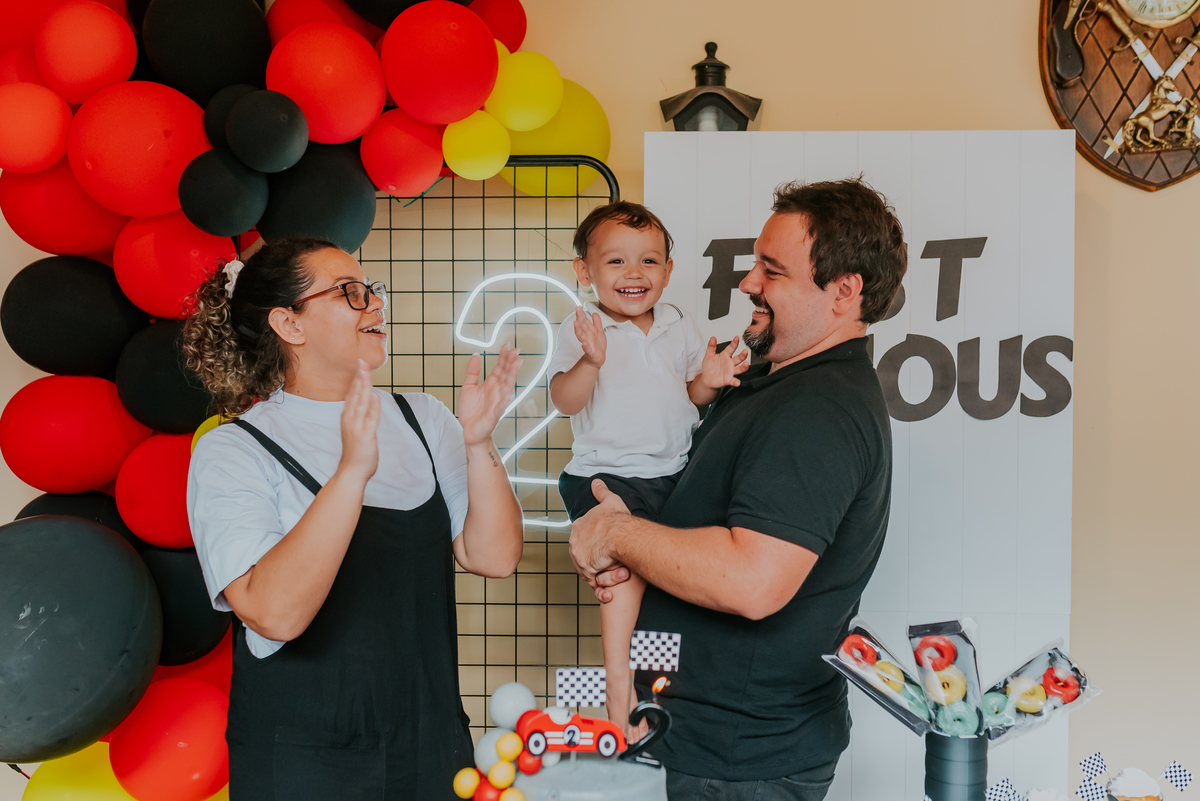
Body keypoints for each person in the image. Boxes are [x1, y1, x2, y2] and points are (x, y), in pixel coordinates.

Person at [568, 178, 907, 801]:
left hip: (738, 765)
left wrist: (615, 532)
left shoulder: (819, 410)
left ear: (844, 292)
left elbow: (752, 583)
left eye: (771, 271)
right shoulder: (767, 382)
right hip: (693, 739)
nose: (749, 282)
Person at [182, 238, 524, 800]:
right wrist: (350, 474)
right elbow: (273, 614)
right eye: (350, 293)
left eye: (372, 291)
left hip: (430, 745)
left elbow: (494, 556)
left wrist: (480, 442)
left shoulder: (424, 419)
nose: (375, 305)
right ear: (289, 324)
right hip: (305, 761)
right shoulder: (233, 449)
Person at [548, 201, 749, 729]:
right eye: (615, 262)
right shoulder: (582, 328)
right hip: (608, 477)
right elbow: (565, 401)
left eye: (649, 262)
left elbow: (690, 392)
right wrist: (591, 361)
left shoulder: (678, 323)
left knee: (675, 580)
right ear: (584, 272)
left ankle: (661, 692)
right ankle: (619, 699)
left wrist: (713, 376)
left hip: (674, 474)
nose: (634, 274)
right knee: (623, 578)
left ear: (669, 270)